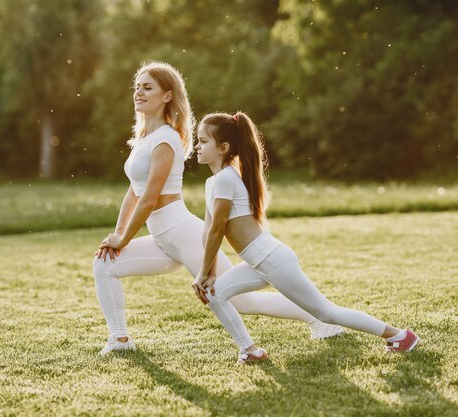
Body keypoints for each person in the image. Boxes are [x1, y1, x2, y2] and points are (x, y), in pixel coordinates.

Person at [93, 62, 344, 355]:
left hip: (182, 232)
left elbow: (149, 199)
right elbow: (133, 193)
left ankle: (320, 318)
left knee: (243, 301)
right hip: (163, 239)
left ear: (167, 96)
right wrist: (117, 234)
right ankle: (120, 340)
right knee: (104, 263)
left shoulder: (165, 139)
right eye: (137, 86)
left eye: (147, 87)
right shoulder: (144, 140)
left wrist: (123, 240)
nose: (138, 92)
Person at [192, 111, 420, 364]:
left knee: (327, 313)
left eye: (203, 141)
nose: (197, 146)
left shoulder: (225, 179)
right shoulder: (213, 183)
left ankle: (400, 336)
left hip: (271, 258)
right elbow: (208, 229)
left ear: (223, 147)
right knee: (215, 294)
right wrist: (209, 273)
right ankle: (251, 351)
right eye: (197, 140)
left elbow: (218, 229)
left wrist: (203, 273)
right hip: (259, 261)